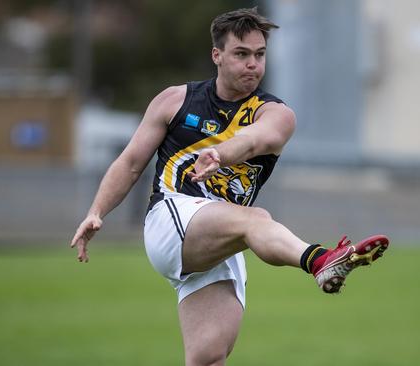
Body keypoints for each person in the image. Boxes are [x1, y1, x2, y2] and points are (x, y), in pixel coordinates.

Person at [70, 7, 390, 366]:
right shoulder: (175, 101)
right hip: (171, 218)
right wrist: (96, 212)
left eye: (260, 54)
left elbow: (254, 141)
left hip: (221, 240)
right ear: (216, 55)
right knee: (255, 218)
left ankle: (318, 261)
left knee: (208, 356)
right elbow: (129, 164)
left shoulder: (276, 113)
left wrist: (221, 153)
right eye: (241, 54)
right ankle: (320, 260)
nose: (253, 64)